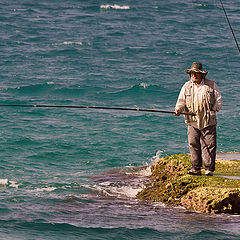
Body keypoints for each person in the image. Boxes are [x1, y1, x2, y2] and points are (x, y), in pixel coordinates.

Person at [174, 62, 222, 176]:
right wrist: (178, 109)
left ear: (201, 74)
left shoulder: (211, 85)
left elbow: (218, 100)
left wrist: (213, 110)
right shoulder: (186, 86)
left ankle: (209, 169)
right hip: (192, 120)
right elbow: (181, 101)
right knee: (193, 143)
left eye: (196, 73)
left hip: (208, 120)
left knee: (209, 145)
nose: (193, 75)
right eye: (192, 73)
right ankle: (196, 168)